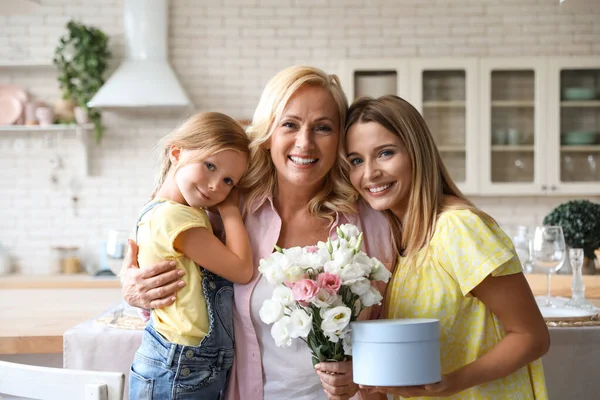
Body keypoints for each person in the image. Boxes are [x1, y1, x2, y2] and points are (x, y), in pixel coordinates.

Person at [121, 66, 395, 400]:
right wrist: (135, 290)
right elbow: (178, 286)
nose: (305, 142)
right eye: (290, 124)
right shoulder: (229, 210)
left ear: (340, 138)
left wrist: (360, 375)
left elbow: (392, 330)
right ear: (268, 132)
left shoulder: (370, 223)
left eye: (323, 128)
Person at [344, 95, 550, 400]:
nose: (369, 173)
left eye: (385, 153)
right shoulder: (398, 240)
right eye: (356, 160)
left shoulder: (458, 228)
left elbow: (531, 336)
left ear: (417, 153)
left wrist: (449, 382)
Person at [128, 112, 254, 399]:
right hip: (180, 365)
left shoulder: (180, 211)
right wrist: (231, 208)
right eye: (209, 165)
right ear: (176, 152)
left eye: (228, 181)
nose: (215, 186)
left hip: (186, 363)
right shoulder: (174, 218)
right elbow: (242, 269)